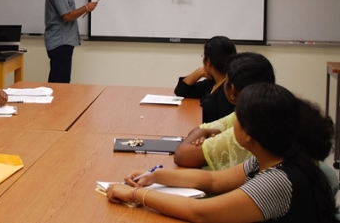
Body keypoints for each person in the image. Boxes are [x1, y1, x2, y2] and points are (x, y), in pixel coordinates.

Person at [107, 83, 339, 223]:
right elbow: (213, 180)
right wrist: (156, 176)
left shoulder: (279, 180)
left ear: (248, 133)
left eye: (238, 118)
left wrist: (135, 196)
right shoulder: (272, 158)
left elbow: (200, 213)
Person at [174, 52, 275, 169]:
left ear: (232, 90)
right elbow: (199, 129)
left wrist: (205, 133)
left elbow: (182, 155)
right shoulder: (255, 112)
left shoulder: (247, 128)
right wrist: (205, 132)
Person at [44, 0, 98, 83]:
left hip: (63, 41)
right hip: (60, 42)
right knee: (60, 83)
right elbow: (66, 16)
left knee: (61, 81)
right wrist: (86, 8)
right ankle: (56, 104)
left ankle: (57, 103)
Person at [174, 36, 237, 123]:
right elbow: (181, 91)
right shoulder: (212, 83)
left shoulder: (227, 90)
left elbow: (224, 125)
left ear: (208, 61)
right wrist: (200, 72)